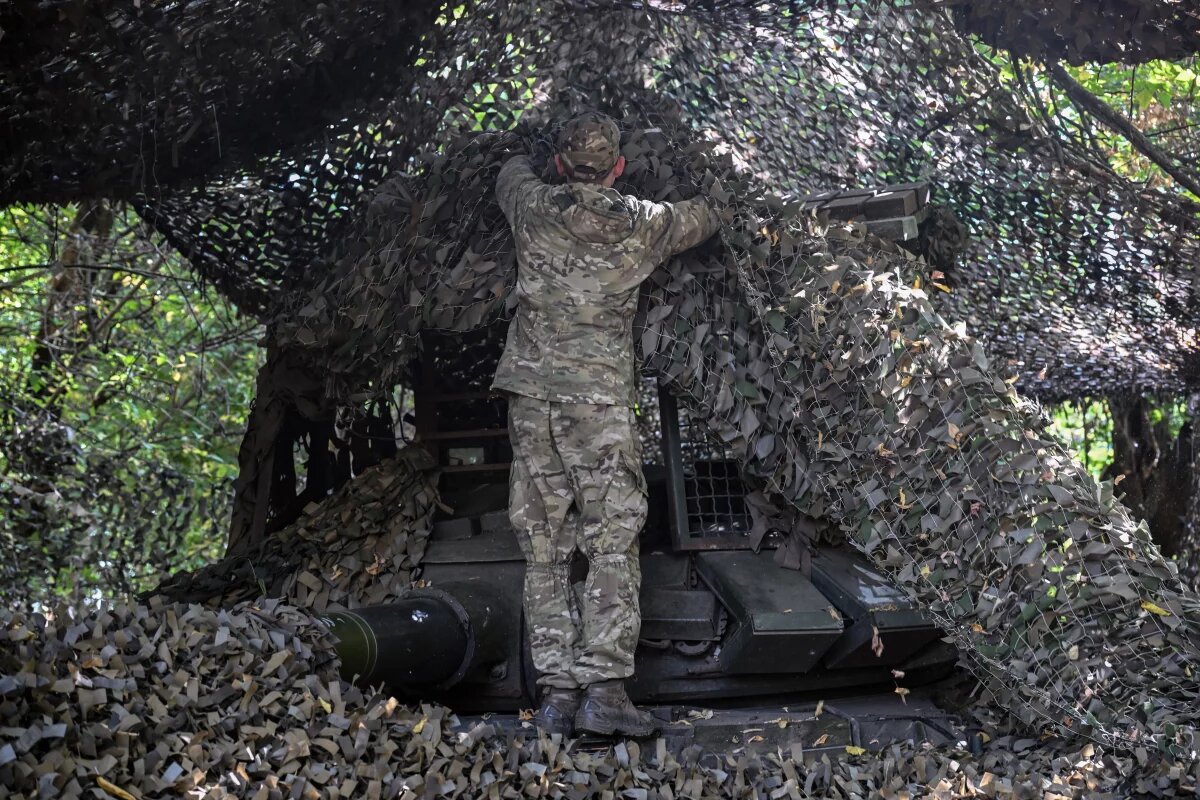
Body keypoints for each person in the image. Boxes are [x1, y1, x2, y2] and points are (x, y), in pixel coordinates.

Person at [492, 111, 720, 737]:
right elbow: (707, 214)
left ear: (562, 163)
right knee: (611, 539)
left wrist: (528, 160)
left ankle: (558, 695)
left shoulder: (532, 205)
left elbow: (507, 176)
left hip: (532, 399)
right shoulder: (644, 224)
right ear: (618, 166)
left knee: (543, 548)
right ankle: (606, 691)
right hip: (599, 404)